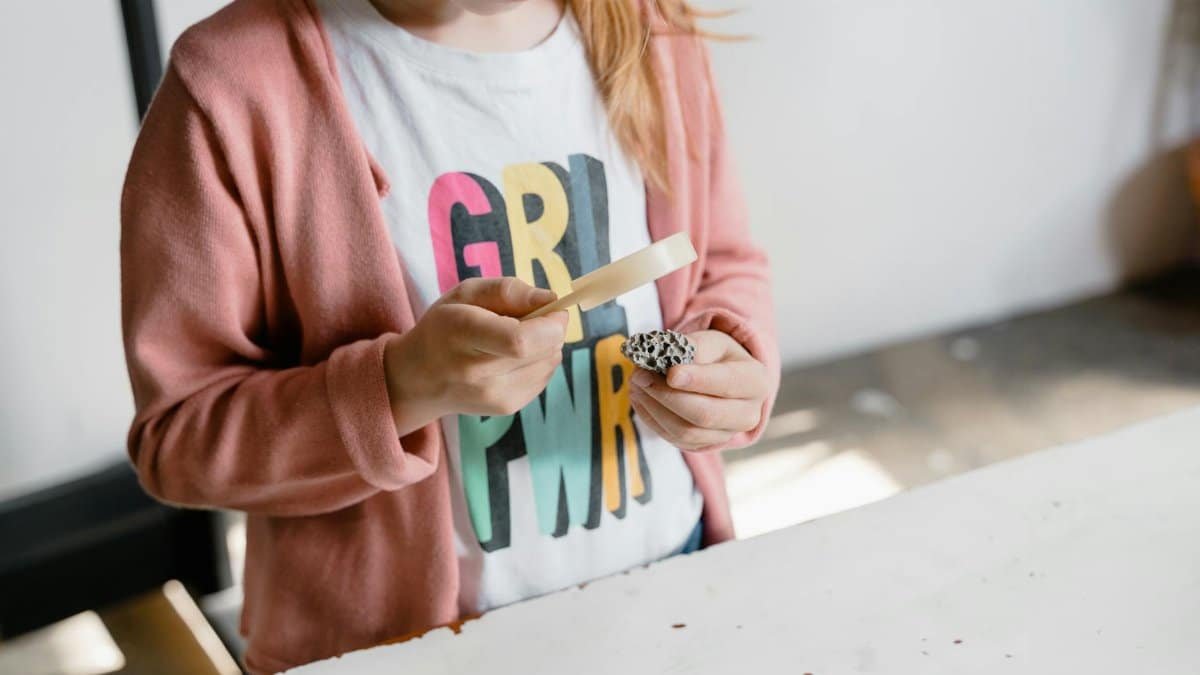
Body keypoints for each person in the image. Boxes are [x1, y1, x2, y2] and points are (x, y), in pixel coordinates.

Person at [120, 0, 778, 671]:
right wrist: (399, 386)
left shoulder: (648, 26)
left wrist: (731, 356)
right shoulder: (232, 81)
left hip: (672, 579)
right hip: (400, 648)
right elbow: (179, 435)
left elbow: (721, 261)